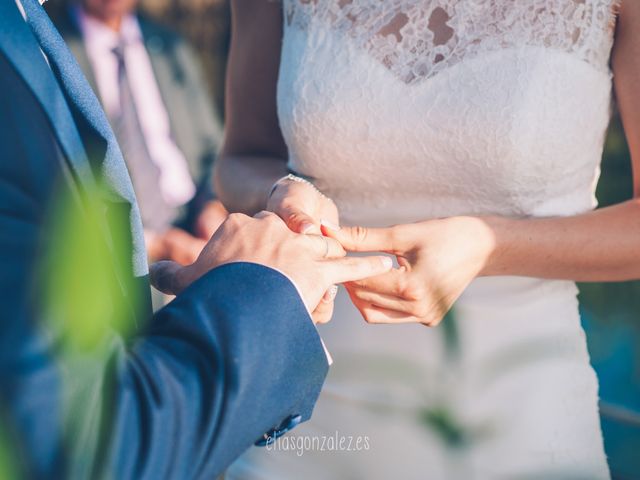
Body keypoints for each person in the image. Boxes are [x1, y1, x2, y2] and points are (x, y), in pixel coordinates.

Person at [216, 1, 640, 479]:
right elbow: (241, 157)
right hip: (296, 417)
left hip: (521, 424)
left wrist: (489, 245)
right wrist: (282, 194)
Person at [0, 0, 393, 478]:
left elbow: (211, 151)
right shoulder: (36, 44)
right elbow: (80, 449)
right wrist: (257, 285)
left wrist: (214, 212)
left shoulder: (158, 46)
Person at [53, 0, 228, 269]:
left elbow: (213, 148)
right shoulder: (53, 51)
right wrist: (151, 244)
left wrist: (212, 206)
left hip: (194, 223)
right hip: (121, 247)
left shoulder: (170, 46)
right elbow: (60, 181)